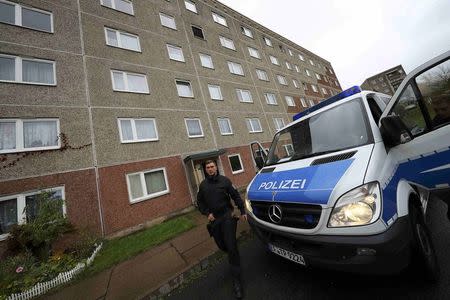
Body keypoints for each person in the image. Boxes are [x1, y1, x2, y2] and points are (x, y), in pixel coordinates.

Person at [197, 159, 247, 299]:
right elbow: (199, 203)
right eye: (208, 167)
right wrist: (207, 213)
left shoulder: (225, 181)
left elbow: (235, 195)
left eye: (212, 166)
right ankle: (234, 255)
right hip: (215, 220)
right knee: (222, 245)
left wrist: (242, 211)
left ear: (216, 168)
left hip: (227, 216)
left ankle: (237, 281)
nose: (210, 169)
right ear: (206, 170)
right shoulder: (203, 185)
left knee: (231, 247)